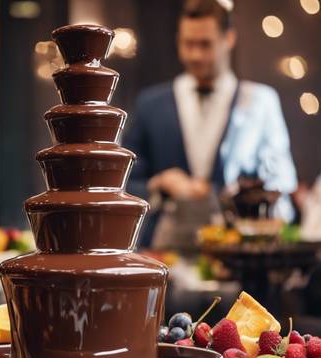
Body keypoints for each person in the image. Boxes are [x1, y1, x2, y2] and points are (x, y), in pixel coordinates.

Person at [124, 0, 298, 249]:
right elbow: (125, 179)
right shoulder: (150, 104)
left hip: (237, 253)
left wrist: (236, 194)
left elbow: (281, 180)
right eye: (188, 44)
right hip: (166, 252)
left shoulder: (260, 102)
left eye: (205, 44)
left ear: (229, 39)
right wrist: (159, 184)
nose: (195, 55)